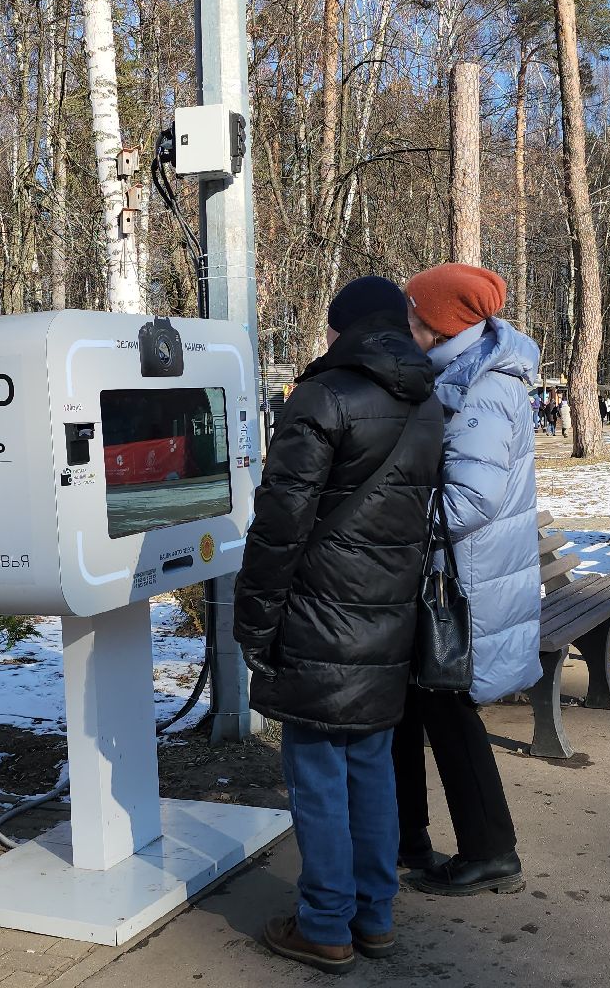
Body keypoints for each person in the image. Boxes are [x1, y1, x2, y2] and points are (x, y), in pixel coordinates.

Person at [234, 276, 445, 973]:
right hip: (386, 620)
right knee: (372, 769)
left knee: (320, 774)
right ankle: (374, 917)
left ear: (345, 328)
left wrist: (255, 623)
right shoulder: (427, 402)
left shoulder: (322, 398)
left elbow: (279, 527)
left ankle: (325, 925)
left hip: (318, 617)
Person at [392, 262, 542, 899]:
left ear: (437, 321)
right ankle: (411, 838)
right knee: (422, 707)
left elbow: (470, 501)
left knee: (447, 712)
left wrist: (393, 511)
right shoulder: (465, 375)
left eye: (411, 310)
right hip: (459, 579)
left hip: (463, 586)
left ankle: (489, 849)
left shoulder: (482, 388)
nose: (404, 318)